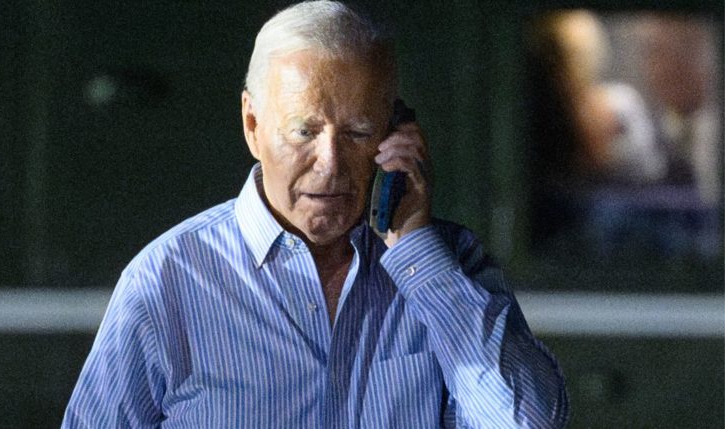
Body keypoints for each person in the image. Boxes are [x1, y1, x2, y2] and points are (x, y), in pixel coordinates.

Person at [62, 1, 568, 427]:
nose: (330, 166)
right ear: (253, 125)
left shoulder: (450, 265)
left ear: (397, 134)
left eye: (358, 132)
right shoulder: (164, 282)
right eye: (304, 131)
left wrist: (417, 255)